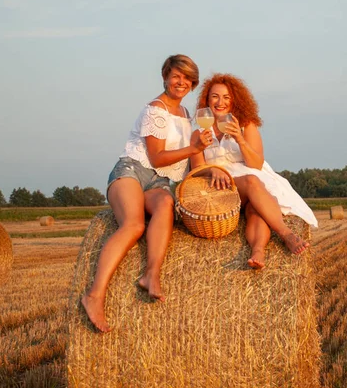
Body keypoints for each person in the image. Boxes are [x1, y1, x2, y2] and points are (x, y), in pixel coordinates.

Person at [82, 54, 213, 333]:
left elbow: (189, 162)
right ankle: (94, 295)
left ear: (192, 84)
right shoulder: (155, 110)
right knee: (134, 225)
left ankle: (151, 274)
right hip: (133, 171)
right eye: (176, 76)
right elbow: (155, 157)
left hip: (160, 183)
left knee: (166, 203)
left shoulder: (186, 115)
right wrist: (193, 148)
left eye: (187, 78)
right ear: (165, 76)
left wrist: (211, 172)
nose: (181, 82)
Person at [189, 73, 318, 270]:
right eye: (214, 96)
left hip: (253, 182)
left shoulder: (246, 125)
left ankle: (258, 251)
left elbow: (256, 163)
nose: (220, 102)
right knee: (251, 181)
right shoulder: (198, 133)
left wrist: (239, 138)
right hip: (221, 187)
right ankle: (286, 234)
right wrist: (212, 169)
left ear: (235, 100)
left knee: (255, 210)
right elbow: (196, 167)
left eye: (226, 97)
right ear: (207, 100)